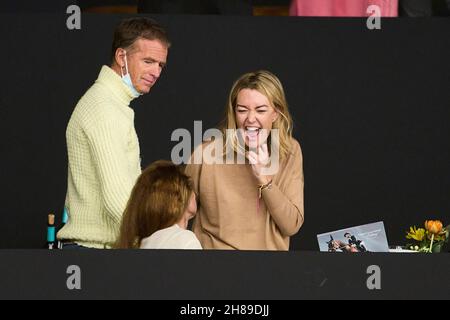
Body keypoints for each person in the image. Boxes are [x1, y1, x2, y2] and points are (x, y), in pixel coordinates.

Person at [57, 17, 170, 249]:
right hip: (95, 253)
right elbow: (117, 199)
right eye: (148, 61)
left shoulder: (111, 103)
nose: (156, 72)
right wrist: (152, 244)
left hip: (96, 251)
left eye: (160, 65)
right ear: (121, 57)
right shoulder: (104, 107)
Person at [185, 70, 304, 250]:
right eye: (242, 110)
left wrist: (264, 179)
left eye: (261, 110)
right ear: (234, 113)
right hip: (212, 268)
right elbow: (176, 214)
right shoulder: (205, 154)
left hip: (268, 270)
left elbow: (291, 225)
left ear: (276, 113)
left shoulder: (289, 151)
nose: (250, 119)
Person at [116, 160, 202, 249]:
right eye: (187, 186)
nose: (194, 192)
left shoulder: (146, 243)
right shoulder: (185, 240)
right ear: (174, 200)